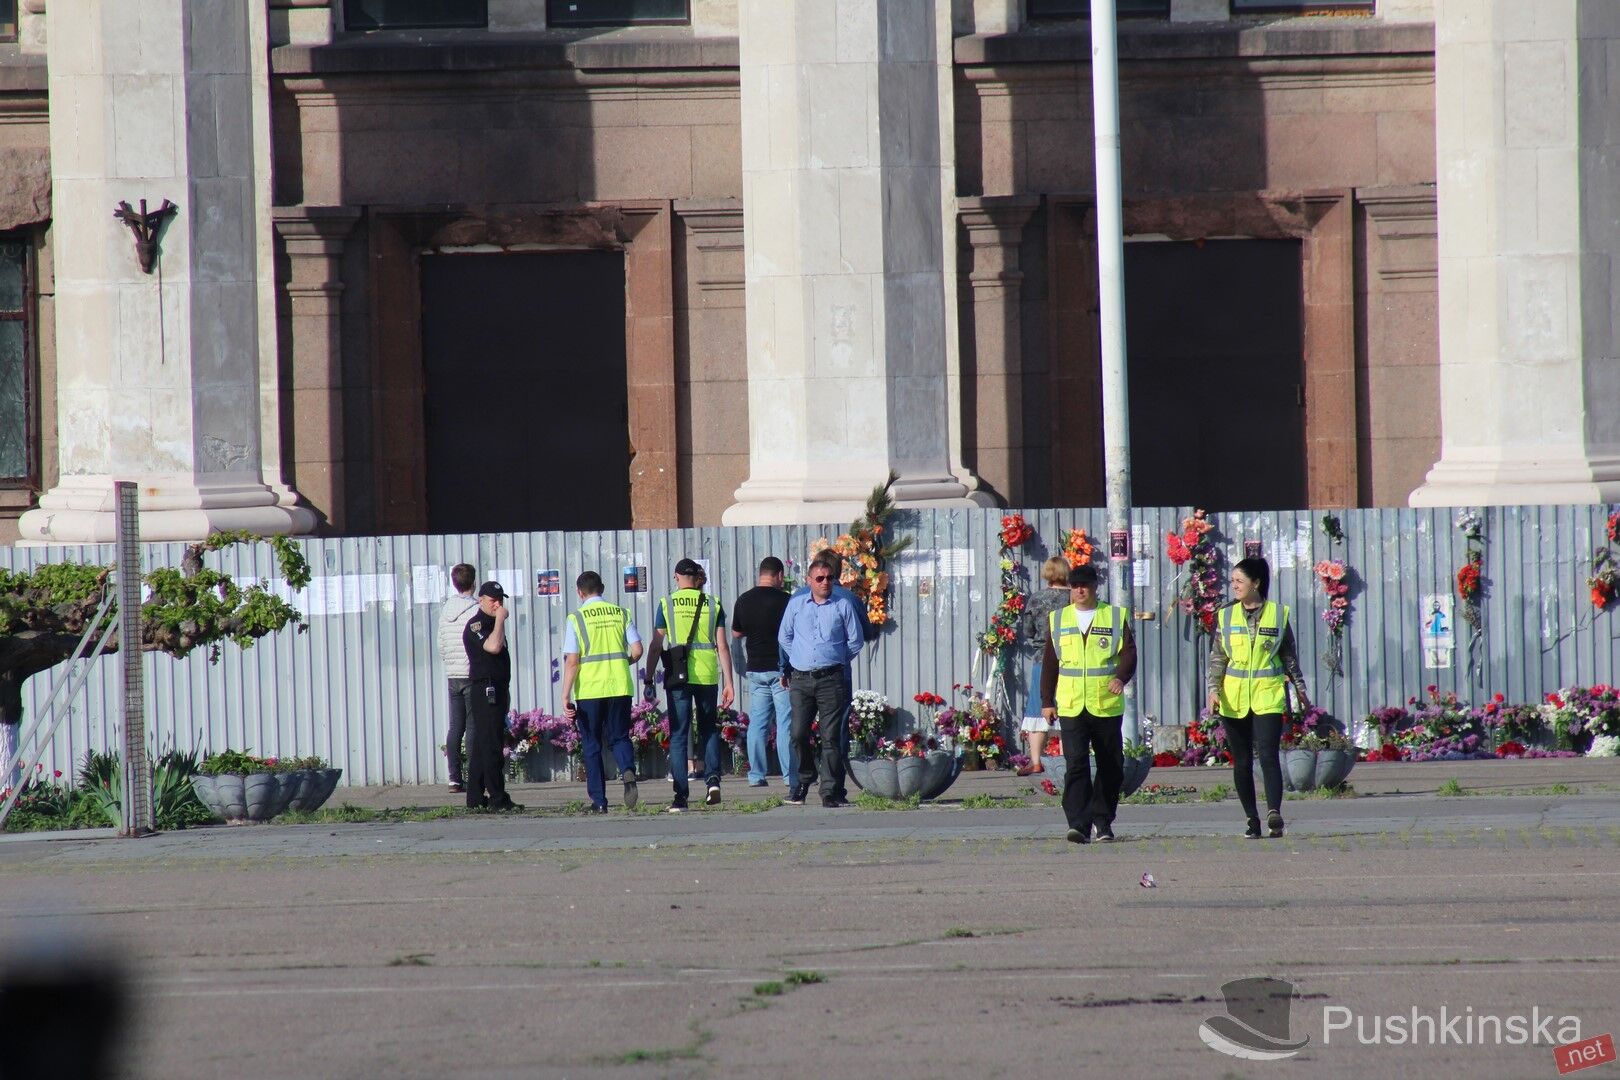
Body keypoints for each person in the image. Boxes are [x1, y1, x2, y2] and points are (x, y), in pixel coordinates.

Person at [1208, 557, 1311, 839]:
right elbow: (1218, 658)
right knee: (1241, 761)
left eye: (1239, 581)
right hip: (1234, 697)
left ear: (1256, 583)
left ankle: (1273, 813)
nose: (1234, 586)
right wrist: (1213, 689)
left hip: (1268, 694)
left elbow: (1288, 655)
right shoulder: (1226, 616)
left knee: (1268, 755)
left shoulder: (1278, 615)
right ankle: (1251, 819)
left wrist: (1300, 689)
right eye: (1233, 581)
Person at [1041, 563, 1136, 844]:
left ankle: (1103, 821)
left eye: (1085, 585)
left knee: (1111, 765)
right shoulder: (1058, 619)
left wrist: (1121, 677)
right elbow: (1049, 662)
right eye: (1075, 585)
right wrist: (1047, 700)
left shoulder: (1114, 616)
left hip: (1104, 703)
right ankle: (1078, 824)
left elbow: (1129, 654)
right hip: (1071, 704)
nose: (1079, 590)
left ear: (1095, 587)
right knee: (1076, 765)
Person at [644, 558, 735, 812]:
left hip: (677, 676)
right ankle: (713, 781)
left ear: (676, 577)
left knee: (679, 735)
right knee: (708, 730)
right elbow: (723, 646)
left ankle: (680, 798)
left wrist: (649, 678)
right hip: (706, 675)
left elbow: (655, 646)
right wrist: (729, 681)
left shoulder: (667, 604)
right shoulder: (713, 603)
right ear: (696, 578)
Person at [779, 551, 866, 807]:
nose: (825, 582)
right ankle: (806, 777)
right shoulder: (796, 605)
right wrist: (796, 659)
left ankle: (828, 791)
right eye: (819, 578)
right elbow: (784, 637)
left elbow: (856, 641)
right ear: (809, 580)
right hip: (801, 679)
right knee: (797, 733)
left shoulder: (843, 604)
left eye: (829, 577)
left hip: (831, 679)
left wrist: (836, 658)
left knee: (830, 737)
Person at [560, 570, 644, 814]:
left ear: (579, 592)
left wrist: (565, 695)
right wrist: (621, 663)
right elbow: (637, 650)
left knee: (592, 743)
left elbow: (572, 661)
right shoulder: (621, 612)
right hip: (619, 686)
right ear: (603, 588)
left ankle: (599, 801)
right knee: (619, 737)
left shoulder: (576, 618)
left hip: (590, 691)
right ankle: (627, 770)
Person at [731, 556, 795, 788]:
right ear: (778, 575)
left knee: (758, 723)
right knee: (785, 723)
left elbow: (736, 633)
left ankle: (756, 776)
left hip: (755, 670)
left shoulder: (744, 600)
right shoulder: (787, 601)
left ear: (761, 574)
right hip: (781, 673)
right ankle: (790, 776)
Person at [463, 581, 519, 811]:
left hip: (497, 688)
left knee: (481, 746)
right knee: (492, 746)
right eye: (493, 600)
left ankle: (475, 798)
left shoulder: (493, 623)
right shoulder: (476, 625)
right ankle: (497, 797)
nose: (498, 604)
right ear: (481, 600)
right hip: (485, 690)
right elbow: (494, 647)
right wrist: (499, 620)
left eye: (500, 600)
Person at [1016, 556, 1073, 775]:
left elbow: (1027, 630)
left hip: (1042, 659)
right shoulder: (1072, 599)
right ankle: (1068, 760)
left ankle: (1036, 760)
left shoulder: (1036, 598)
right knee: (1069, 710)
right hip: (1070, 659)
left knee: (1037, 709)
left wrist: (1040, 642)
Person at [437, 563, 479, 794]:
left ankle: (454, 778)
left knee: (455, 727)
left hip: (453, 674)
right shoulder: (475, 610)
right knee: (472, 727)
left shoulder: (445, 610)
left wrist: (450, 663)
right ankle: (473, 776)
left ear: (454, 583)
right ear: (473, 583)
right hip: (471, 673)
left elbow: (441, 644)